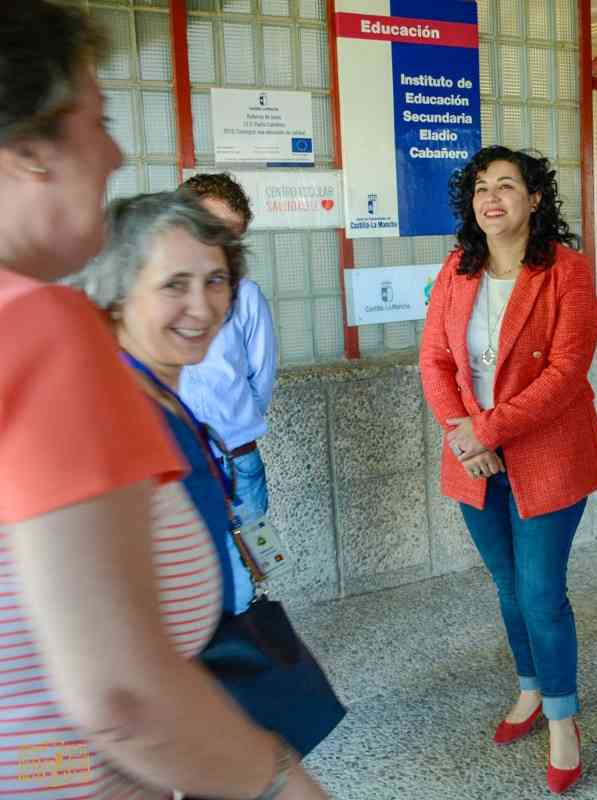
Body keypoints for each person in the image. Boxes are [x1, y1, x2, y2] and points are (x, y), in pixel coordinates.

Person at [0, 4, 326, 797]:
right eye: (98, 121)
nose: (115, 153)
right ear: (29, 149)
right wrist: (279, 780)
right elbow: (119, 697)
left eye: (217, 280)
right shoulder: (41, 328)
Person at [419, 145, 597, 795]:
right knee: (507, 586)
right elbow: (435, 361)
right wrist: (464, 434)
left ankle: (562, 716)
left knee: (540, 592)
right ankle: (530, 688)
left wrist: (487, 429)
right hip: (473, 460)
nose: (491, 197)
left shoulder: (566, 271)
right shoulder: (457, 268)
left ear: (534, 198)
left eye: (505, 185)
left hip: (547, 456)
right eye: (480, 188)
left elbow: (566, 373)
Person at [179, 172, 278, 528]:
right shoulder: (144, 294)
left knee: (246, 559)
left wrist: (233, 425)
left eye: (232, 238)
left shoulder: (245, 297)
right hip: (173, 469)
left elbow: (261, 378)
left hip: (237, 464)